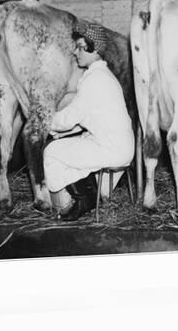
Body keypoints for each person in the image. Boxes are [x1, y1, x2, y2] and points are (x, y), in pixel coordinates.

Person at [43, 21, 135, 221]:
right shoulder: (102, 75)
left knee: (51, 152)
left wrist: (46, 121)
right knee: (66, 146)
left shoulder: (95, 80)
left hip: (111, 149)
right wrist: (61, 132)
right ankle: (91, 194)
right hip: (117, 145)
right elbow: (85, 118)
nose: (76, 52)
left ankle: (84, 199)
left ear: (95, 51)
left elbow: (70, 117)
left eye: (81, 48)